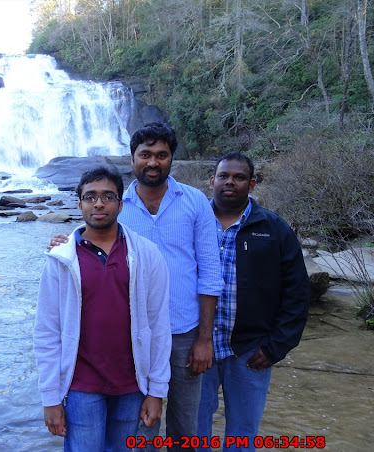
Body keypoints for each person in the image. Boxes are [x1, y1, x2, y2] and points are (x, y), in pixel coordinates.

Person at [49, 122, 223, 451]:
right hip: (137, 337)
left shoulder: (196, 201)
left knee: (188, 426)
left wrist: (205, 338)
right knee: (142, 429)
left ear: (172, 158)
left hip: (185, 332)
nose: (153, 162)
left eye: (161, 155)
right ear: (133, 159)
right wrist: (64, 244)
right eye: (145, 155)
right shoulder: (117, 203)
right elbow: (92, 238)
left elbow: (210, 272)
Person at [34, 166, 172, 451]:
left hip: (134, 385)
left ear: (121, 205)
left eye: (107, 196)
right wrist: (50, 398)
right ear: (79, 204)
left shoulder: (147, 255)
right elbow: (47, 332)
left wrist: (157, 391)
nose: (99, 203)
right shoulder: (60, 260)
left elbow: (159, 326)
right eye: (90, 197)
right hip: (81, 387)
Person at [196, 152, 310, 451]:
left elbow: (297, 293)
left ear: (253, 184)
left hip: (249, 351)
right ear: (212, 181)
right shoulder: (193, 223)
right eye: (223, 176)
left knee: (242, 435)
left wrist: (276, 346)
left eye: (239, 177)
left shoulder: (274, 229)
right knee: (192, 433)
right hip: (198, 347)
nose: (230, 182)